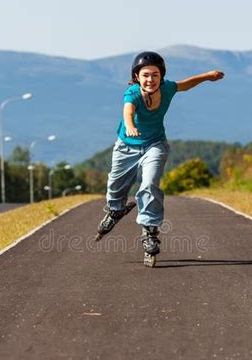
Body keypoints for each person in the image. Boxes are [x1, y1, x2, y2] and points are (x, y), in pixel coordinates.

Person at [96, 50, 225, 259]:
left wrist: (207, 77)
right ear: (137, 76)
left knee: (149, 185)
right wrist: (129, 126)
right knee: (115, 185)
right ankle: (116, 209)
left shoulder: (167, 88)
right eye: (145, 75)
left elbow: (186, 84)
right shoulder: (133, 93)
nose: (150, 80)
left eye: (155, 75)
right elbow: (127, 111)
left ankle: (149, 230)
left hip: (155, 145)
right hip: (126, 146)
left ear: (161, 76)